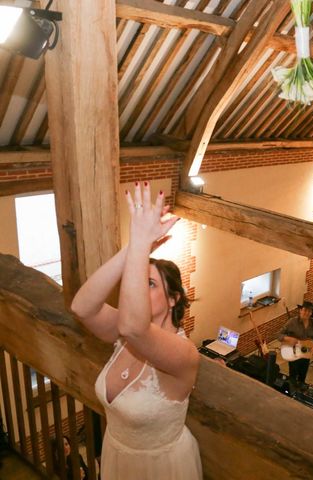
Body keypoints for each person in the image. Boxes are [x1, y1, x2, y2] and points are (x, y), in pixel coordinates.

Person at [70, 182, 202, 479]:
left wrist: (141, 242)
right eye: (135, 279)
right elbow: (82, 307)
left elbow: (134, 327)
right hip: (118, 458)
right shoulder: (124, 335)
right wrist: (134, 248)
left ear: (173, 299)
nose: (136, 289)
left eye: (150, 283)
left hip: (162, 469)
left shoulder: (183, 353)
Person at [280, 300, 313, 384]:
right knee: (293, 376)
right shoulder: (292, 322)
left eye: (309, 311)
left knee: (302, 376)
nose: (306, 313)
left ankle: (300, 392)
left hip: (306, 353)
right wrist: (288, 339)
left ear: (311, 313)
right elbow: (278, 335)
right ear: (300, 310)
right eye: (305, 310)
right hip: (293, 352)